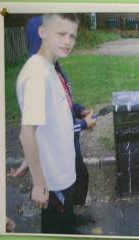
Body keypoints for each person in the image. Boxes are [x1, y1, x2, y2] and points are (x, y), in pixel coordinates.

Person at [16, 13, 94, 234]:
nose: (67, 41)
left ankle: (68, 226)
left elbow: (49, 122)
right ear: (42, 33)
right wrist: (40, 184)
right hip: (53, 178)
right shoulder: (37, 76)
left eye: (72, 36)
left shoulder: (49, 68)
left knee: (63, 219)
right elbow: (26, 134)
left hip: (63, 168)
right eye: (61, 34)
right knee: (54, 227)